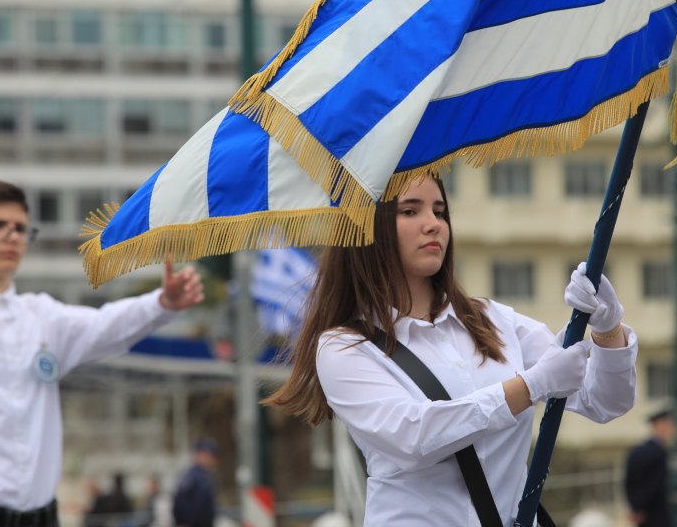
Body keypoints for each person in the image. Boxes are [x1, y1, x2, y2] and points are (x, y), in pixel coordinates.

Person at [264, 177, 638, 526]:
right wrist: (533, 385)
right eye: (410, 211)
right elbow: (415, 437)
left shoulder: (492, 319)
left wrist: (607, 328)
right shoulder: (343, 346)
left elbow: (604, 402)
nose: (434, 224)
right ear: (367, 230)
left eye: (439, 211)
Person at [0, 181, 204, 527]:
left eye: (20, 227)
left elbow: (105, 326)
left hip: (43, 517)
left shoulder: (42, 316)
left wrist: (162, 304)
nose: (12, 236)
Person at [625, 408, 676, 527]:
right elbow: (655, 485)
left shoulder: (636, 451)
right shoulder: (659, 453)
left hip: (642, 517)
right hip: (657, 515)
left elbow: (628, 484)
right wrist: (641, 508)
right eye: (670, 425)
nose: (672, 429)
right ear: (660, 425)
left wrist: (635, 508)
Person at [172, 439, 218, 527]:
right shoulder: (192, 476)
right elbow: (180, 505)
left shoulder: (205, 476)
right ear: (199, 454)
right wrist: (183, 522)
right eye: (209, 455)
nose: (212, 459)